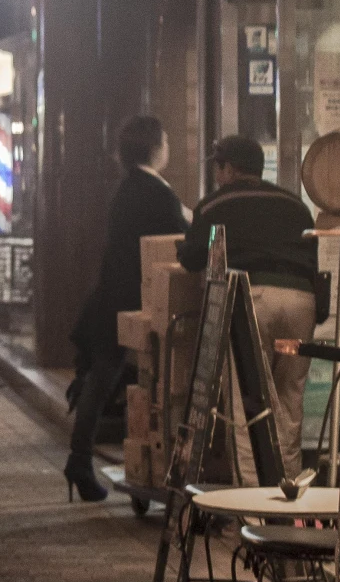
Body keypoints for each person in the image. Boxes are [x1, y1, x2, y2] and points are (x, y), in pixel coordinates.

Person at [179, 132, 321, 480]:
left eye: (219, 168)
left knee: (245, 406)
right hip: (301, 303)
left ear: (229, 169)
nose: (217, 176)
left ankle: (252, 512)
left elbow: (193, 257)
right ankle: (287, 499)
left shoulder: (213, 206)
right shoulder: (296, 206)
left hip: (251, 301)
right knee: (288, 400)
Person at [66, 115, 187, 503]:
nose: (168, 146)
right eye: (165, 140)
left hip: (112, 298)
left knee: (104, 381)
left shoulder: (128, 189)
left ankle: (83, 462)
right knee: (132, 383)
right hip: (137, 301)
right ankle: (102, 464)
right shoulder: (154, 192)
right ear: (155, 147)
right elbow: (178, 243)